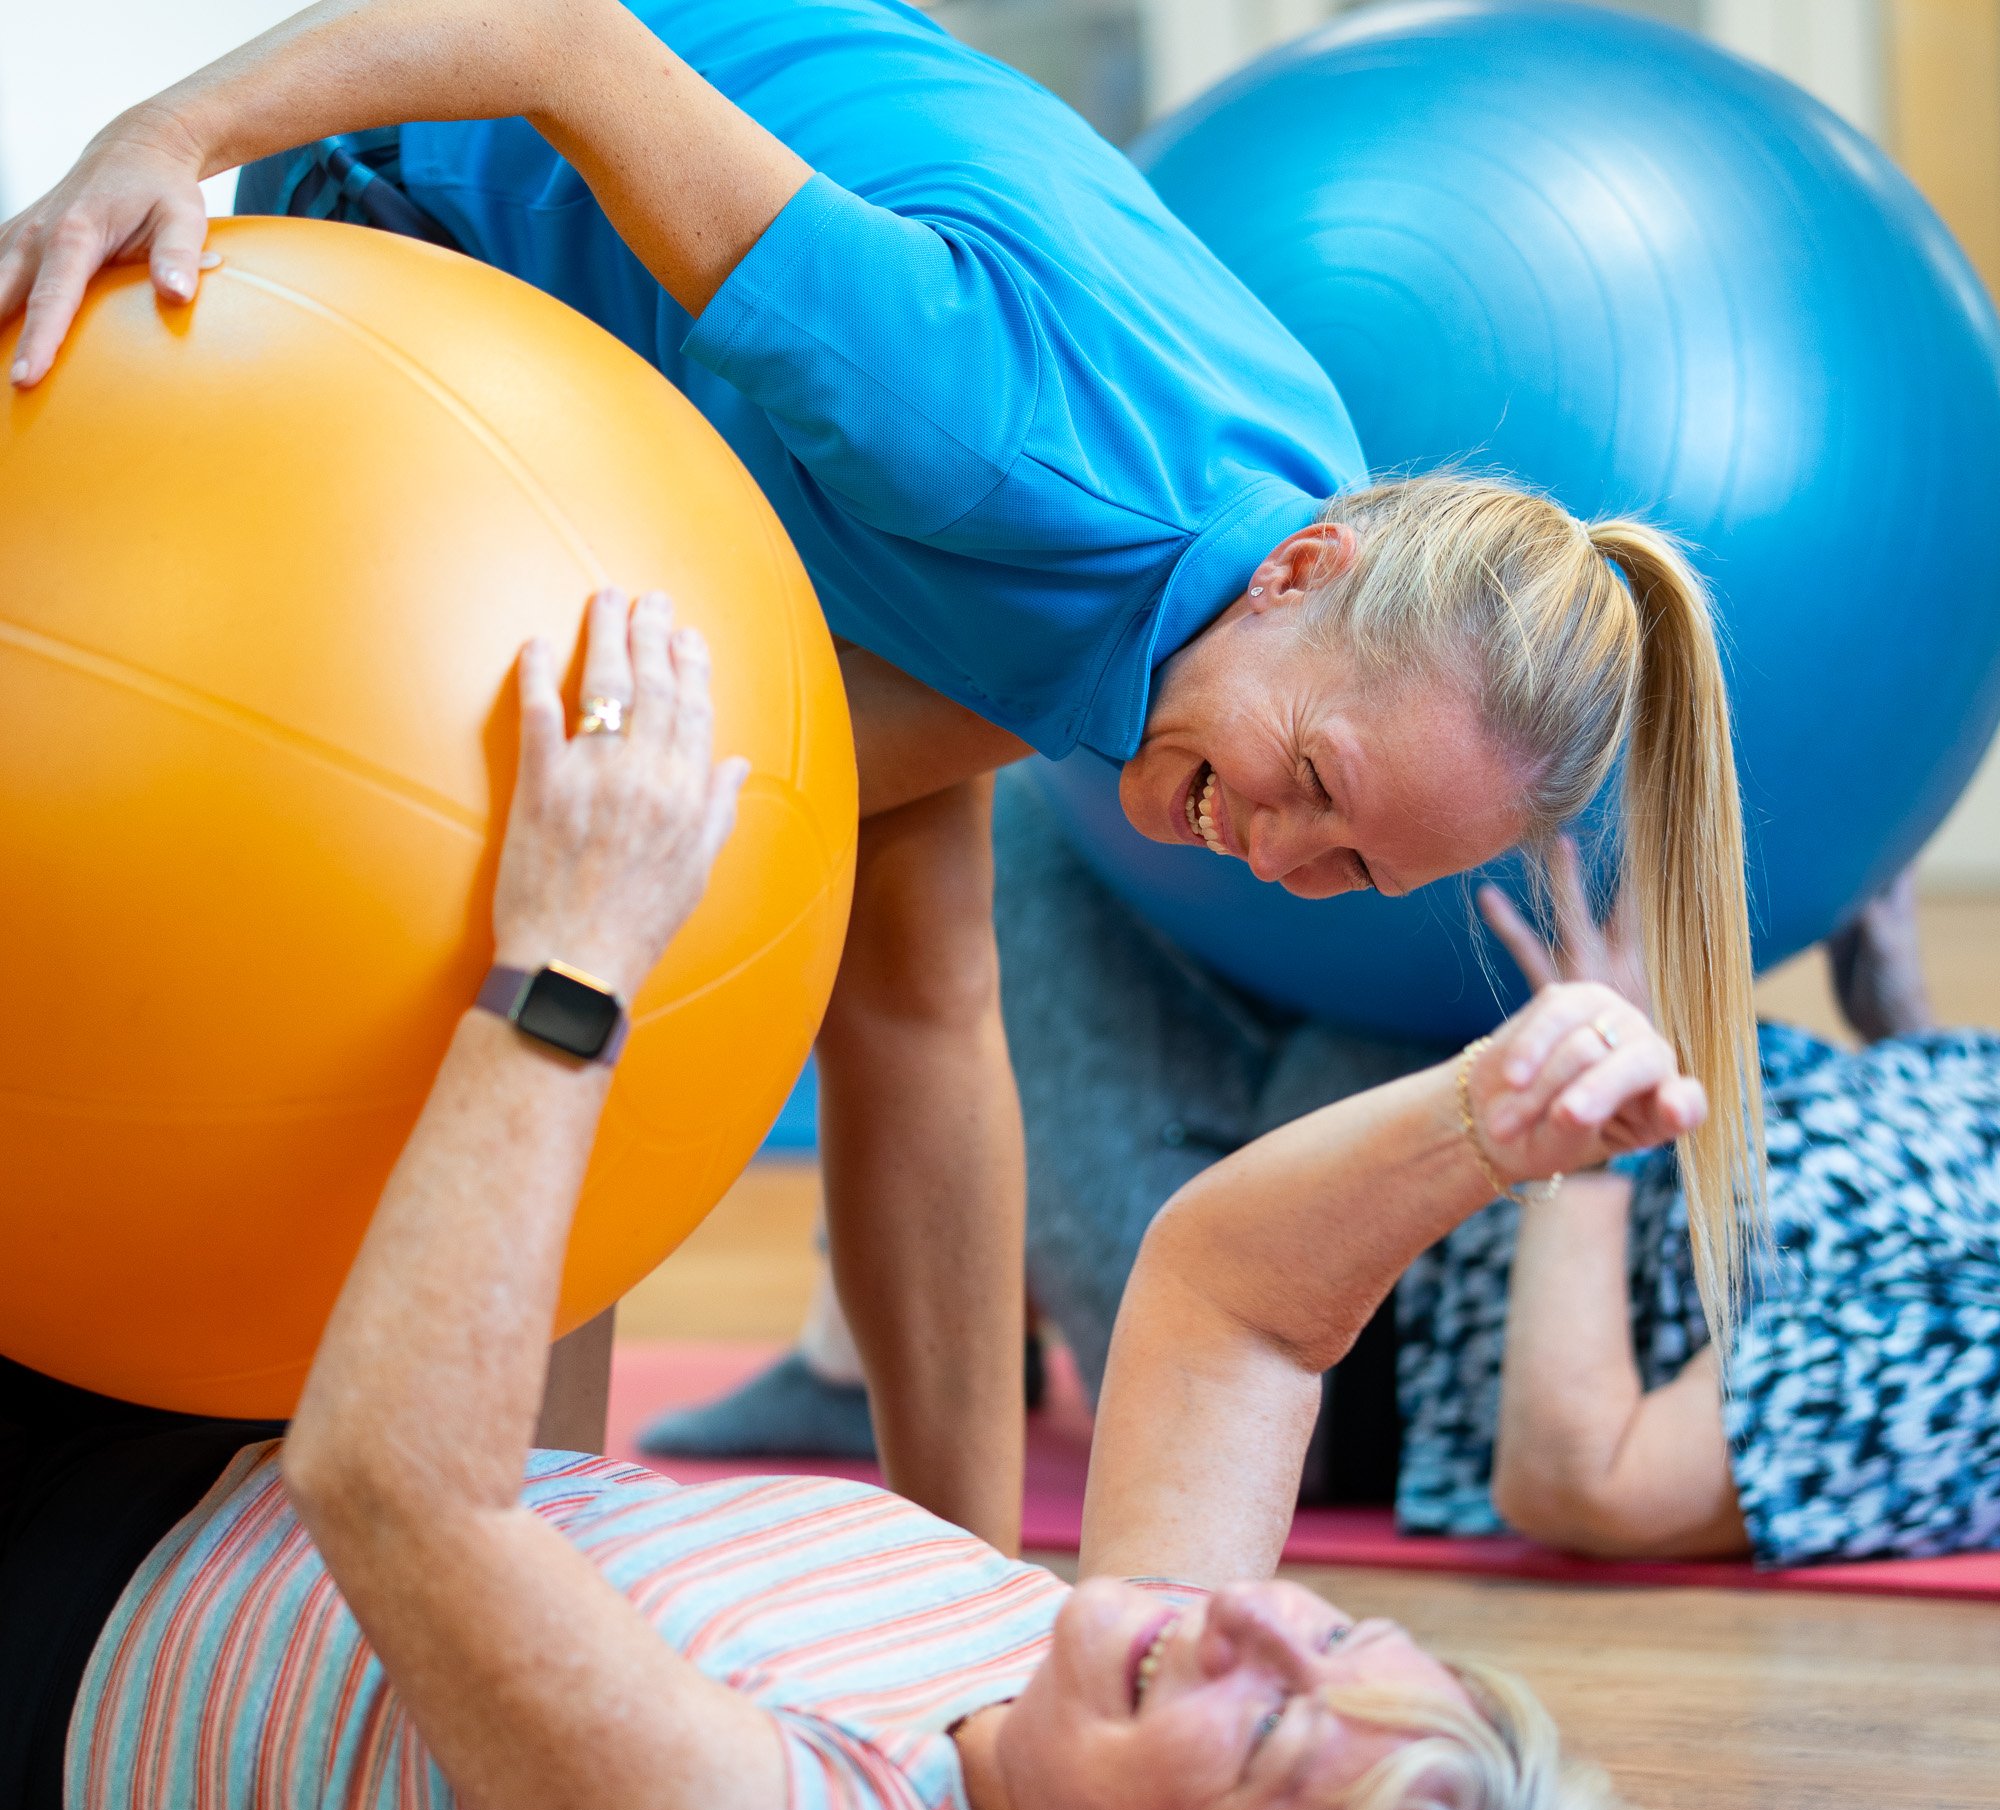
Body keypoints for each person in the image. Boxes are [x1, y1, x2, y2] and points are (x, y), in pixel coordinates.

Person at [0, 0, 1762, 1552]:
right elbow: (555, 37)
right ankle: (525, 1540)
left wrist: (989, 1622)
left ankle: (967, 1583)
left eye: (1350, 868)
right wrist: (165, 133)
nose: (1276, 855)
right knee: (608, 879)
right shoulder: (991, 426)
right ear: (1305, 569)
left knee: (916, 960)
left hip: (744, 418)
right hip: (455, 211)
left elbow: (925, 1020)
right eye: (1309, 781)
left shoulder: (1255, 569)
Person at [0, 590, 1746, 1810]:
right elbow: (1236, 1307)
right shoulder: (1124, 1725)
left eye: (1281, 1723)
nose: (1269, 1629)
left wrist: (573, 950)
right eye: (1360, 1644)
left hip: (64, 1660)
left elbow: (393, 1484)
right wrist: (1489, 1121)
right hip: (212, 1460)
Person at [954, 774, 2000, 1566]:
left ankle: (871, 1351)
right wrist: (1904, 1027)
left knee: (1008, 834)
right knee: (1131, 795)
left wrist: (1589, 1124)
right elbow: (1925, 1214)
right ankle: (869, 1334)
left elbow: (1587, 1478)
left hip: (1322, 1310)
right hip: (1422, 1050)